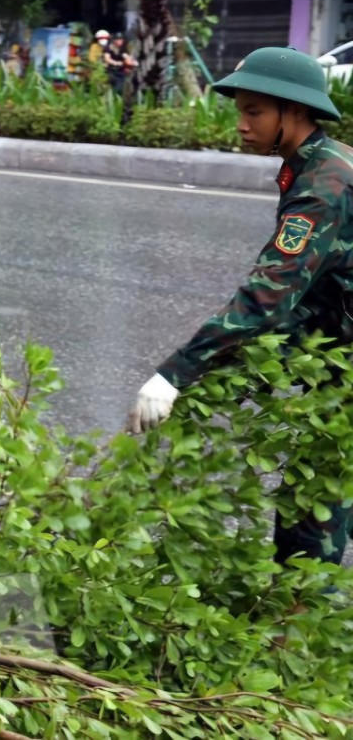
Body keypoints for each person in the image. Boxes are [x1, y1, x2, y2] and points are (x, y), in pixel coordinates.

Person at [128, 46, 353, 567]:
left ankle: (292, 625)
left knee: (311, 509)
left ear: (293, 112)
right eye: (241, 111)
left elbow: (268, 297)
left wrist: (175, 374)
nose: (241, 124)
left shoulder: (324, 185)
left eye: (254, 111)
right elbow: (309, 295)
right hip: (335, 347)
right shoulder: (318, 163)